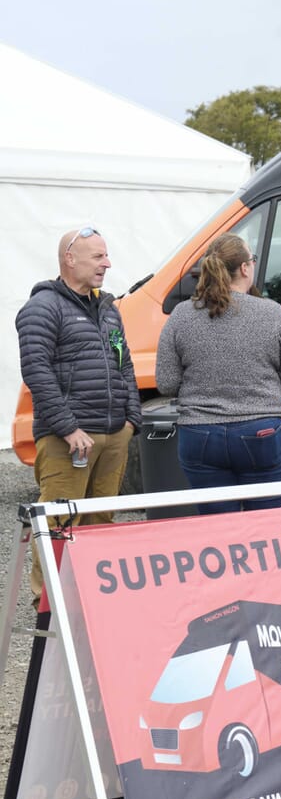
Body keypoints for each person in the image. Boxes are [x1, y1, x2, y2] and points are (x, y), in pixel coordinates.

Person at [17, 226, 141, 600]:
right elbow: (36, 372)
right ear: (70, 260)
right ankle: (48, 600)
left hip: (113, 433)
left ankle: (89, 594)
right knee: (57, 518)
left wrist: (131, 419)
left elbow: (126, 364)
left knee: (100, 519)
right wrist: (68, 428)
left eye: (106, 256)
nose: (108, 263)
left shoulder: (108, 308)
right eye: (98, 257)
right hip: (67, 440)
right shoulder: (43, 307)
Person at [155, 233, 281, 513]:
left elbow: (166, 383)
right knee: (268, 529)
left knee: (218, 531)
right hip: (261, 432)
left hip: (200, 436)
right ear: (245, 268)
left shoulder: (181, 315)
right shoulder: (272, 313)